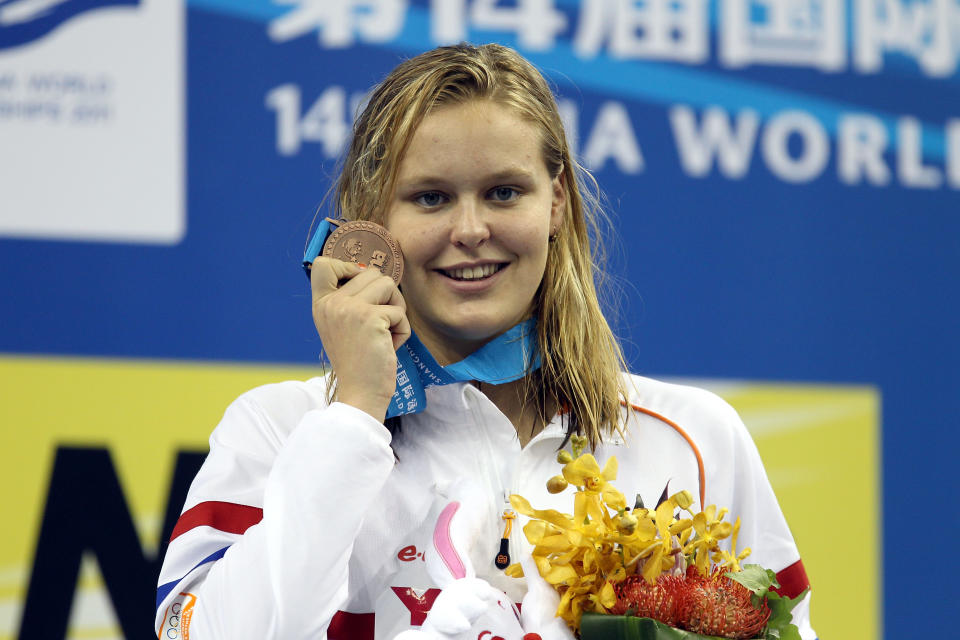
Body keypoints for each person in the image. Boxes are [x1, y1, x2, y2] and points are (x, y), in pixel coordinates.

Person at [155, 43, 816, 640]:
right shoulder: (279, 431)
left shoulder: (694, 441)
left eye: (503, 192)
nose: (470, 230)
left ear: (555, 201)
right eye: (430, 198)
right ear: (373, 219)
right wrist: (355, 415)